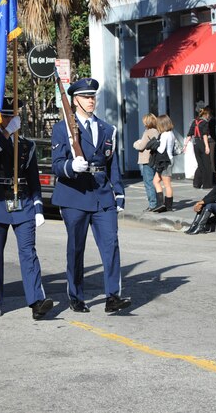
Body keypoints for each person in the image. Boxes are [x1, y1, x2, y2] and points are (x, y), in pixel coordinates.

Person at [50, 78, 131, 313]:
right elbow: (56, 165)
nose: (91, 100)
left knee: (111, 244)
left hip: (102, 195)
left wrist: (119, 193)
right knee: (76, 248)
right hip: (75, 195)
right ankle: (76, 295)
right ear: (75, 100)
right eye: (86, 97)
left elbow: (111, 164)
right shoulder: (61, 129)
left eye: (93, 96)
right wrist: (70, 166)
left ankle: (113, 296)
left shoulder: (107, 128)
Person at [0, 97, 54, 320]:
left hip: (22, 203)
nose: (10, 119)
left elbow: (33, 178)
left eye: (13, 115)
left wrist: (38, 206)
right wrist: (5, 134)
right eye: (6, 115)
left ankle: (36, 301)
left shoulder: (26, 145)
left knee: (28, 253)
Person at [148, 114, 176, 213]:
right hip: (168, 160)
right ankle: (161, 204)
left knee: (167, 184)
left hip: (165, 162)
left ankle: (168, 206)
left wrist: (155, 144)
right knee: (155, 181)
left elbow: (161, 149)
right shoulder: (171, 133)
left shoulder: (164, 135)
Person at [132, 113, 159, 211]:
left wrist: (135, 143)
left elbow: (141, 146)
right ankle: (158, 202)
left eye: (144, 121)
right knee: (156, 182)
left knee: (149, 183)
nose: (143, 123)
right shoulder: (156, 131)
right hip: (155, 159)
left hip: (147, 160)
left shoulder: (147, 132)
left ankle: (152, 204)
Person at [183, 106, 213, 189]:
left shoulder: (194, 122)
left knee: (200, 164)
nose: (209, 117)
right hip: (202, 143)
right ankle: (207, 184)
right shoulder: (205, 123)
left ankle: (196, 183)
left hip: (195, 144)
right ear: (206, 114)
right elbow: (204, 135)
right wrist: (207, 146)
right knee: (207, 164)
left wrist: (185, 145)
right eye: (209, 115)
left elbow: (189, 134)